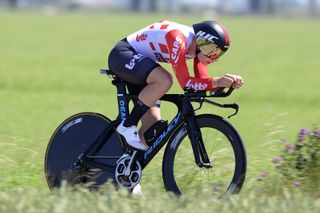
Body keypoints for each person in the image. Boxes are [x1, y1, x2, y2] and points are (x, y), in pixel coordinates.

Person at [108, 20, 244, 151]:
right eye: (212, 51)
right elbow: (185, 83)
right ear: (202, 43)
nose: (214, 58)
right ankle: (128, 125)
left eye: (218, 54)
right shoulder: (178, 38)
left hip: (141, 66)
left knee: (151, 131)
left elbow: (201, 84)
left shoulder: (197, 51)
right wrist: (217, 81)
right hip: (122, 55)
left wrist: (226, 83)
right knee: (164, 80)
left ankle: (126, 165)